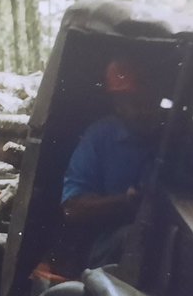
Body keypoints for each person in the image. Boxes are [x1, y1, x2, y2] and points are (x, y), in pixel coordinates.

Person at [59, 59, 165, 269]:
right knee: (138, 239)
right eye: (134, 101)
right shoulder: (99, 137)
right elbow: (72, 208)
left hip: (170, 236)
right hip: (108, 246)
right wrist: (126, 202)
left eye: (148, 99)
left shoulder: (179, 137)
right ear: (117, 103)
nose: (144, 109)